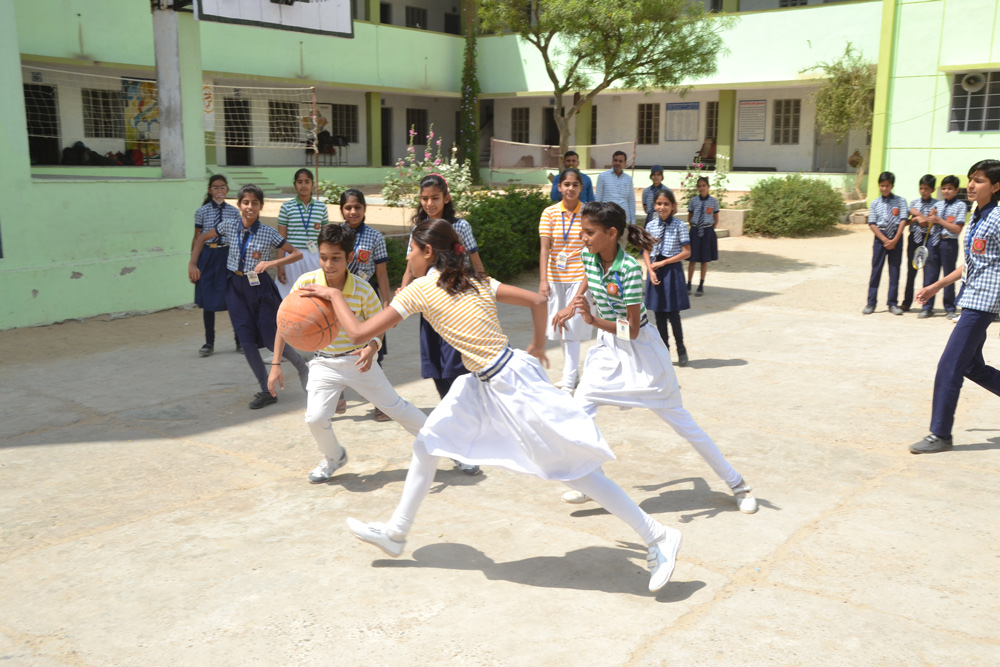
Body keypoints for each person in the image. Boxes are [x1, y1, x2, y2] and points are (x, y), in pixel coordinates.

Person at [310, 218, 682, 594]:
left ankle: (658, 536)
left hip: (507, 384)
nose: (407, 257)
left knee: (571, 469)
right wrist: (537, 345)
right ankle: (395, 532)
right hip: (487, 379)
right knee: (427, 443)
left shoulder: (421, 289)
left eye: (410, 249)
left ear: (426, 252)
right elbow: (537, 301)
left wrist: (334, 296)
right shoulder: (474, 280)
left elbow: (358, 333)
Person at [553, 202, 757, 513]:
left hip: (642, 351)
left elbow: (632, 330)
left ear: (611, 234)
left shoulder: (631, 271)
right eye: (582, 232)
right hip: (608, 349)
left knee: (683, 423)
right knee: (579, 413)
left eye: (589, 233)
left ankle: (738, 484)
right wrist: (575, 301)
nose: (583, 238)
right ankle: (593, 482)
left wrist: (593, 322)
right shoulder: (589, 255)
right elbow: (588, 277)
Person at [268, 224, 427, 483]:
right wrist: (276, 363)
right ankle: (334, 457)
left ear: (350, 257)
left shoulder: (363, 290)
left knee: (397, 408)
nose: (328, 264)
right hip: (323, 362)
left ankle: (447, 446)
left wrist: (372, 347)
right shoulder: (306, 284)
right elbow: (285, 323)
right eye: (323, 257)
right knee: (315, 418)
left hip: (357, 360)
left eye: (336, 258)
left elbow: (379, 327)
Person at [188, 184, 310, 410]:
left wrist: (273, 262)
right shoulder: (229, 225)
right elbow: (203, 237)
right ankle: (266, 390)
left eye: (255, 203)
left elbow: (297, 253)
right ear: (239, 205)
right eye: (246, 202)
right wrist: (193, 263)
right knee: (245, 339)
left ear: (261, 206)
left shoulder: (268, 232)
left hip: (260, 288)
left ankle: (303, 368)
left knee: (271, 337)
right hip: (235, 286)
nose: (250, 207)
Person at [910, 159, 1000, 454]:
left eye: (980, 180)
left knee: (949, 365)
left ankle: (940, 434)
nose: (972, 185)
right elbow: (973, 264)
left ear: (996, 186)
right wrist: (937, 285)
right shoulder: (979, 213)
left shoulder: (999, 217)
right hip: (971, 296)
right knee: (972, 366)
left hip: (983, 303)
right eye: (971, 179)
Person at [400, 173, 486, 475]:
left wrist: (483, 288)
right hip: (428, 309)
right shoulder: (418, 229)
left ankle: (463, 443)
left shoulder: (460, 226)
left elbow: (474, 261)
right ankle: (461, 431)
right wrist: (403, 289)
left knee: (456, 373)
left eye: (435, 197)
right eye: (425, 198)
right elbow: (411, 266)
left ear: (446, 197)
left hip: (454, 307)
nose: (430, 203)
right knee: (437, 370)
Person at [539, 168, 594, 391]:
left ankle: (569, 382)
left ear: (582, 188)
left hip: (579, 277)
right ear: (559, 187)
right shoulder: (549, 213)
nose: (570, 189)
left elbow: (592, 249)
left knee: (571, 327)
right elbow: (544, 249)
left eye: (575, 185)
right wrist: (543, 280)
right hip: (554, 278)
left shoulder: (588, 214)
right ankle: (571, 374)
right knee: (561, 327)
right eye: (566, 184)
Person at [341, 188, 392, 421]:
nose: (353, 212)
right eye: (348, 207)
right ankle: (337, 397)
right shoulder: (335, 235)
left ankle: (381, 404)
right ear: (342, 210)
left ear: (364, 209)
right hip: (341, 299)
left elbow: (381, 272)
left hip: (367, 299)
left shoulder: (375, 237)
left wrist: (387, 302)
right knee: (338, 347)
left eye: (357, 207)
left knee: (374, 350)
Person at [192, 174, 241, 357]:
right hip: (208, 256)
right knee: (208, 302)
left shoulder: (234, 212)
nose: (219, 191)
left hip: (227, 255)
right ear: (209, 190)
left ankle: (239, 340)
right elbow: (197, 238)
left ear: (227, 190)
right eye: (215, 188)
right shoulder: (202, 211)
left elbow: (237, 238)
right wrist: (193, 263)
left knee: (233, 298)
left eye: (222, 188)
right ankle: (209, 342)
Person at [643, 189, 690, 366]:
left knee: (673, 313)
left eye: (666, 204)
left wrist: (663, 264)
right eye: (659, 204)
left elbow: (686, 252)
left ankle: (681, 349)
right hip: (655, 270)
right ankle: (664, 351)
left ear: (673, 206)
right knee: (659, 314)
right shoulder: (651, 226)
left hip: (671, 270)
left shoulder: (679, 225)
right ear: (654, 205)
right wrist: (651, 269)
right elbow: (646, 251)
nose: (662, 207)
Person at [276, 168, 329, 299]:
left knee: (314, 293)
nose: (303, 185)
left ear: (313, 184)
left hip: (314, 256)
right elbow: (281, 239)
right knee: (289, 294)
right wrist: (280, 264)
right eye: (300, 182)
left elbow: (325, 238)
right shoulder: (286, 207)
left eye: (307, 181)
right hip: (292, 256)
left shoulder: (321, 207)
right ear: (295, 184)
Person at [863, 171, 907, 315]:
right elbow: (872, 223)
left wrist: (894, 240)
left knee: (894, 272)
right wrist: (884, 240)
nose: (884, 188)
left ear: (892, 185)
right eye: (881, 185)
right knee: (876, 271)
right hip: (880, 238)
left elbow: (903, 220)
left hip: (896, 238)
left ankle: (892, 303)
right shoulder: (875, 203)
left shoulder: (900, 202)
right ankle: (871, 303)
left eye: (887, 185)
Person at [925, 175, 967, 320]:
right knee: (930, 274)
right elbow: (930, 223)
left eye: (949, 188)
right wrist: (931, 218)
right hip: (934, 242)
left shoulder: (960, 206)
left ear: (956, 189)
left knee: (949, 275)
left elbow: (957, 228)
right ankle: (927, 306)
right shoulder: (938, 205)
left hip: (949, 243)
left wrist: (939, 220)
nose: (946, 191)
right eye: (943, 188)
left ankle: (949, 307)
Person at [901, 174, 938, 315]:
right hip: (914, 240)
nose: (923, 191)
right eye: (921, 188)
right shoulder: (914, 203)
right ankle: (906, 302)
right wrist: (916, 217)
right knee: (911, 272)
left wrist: (919, 216)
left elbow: (932, 221)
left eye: (926, 189)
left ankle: (926, 306)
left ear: (933, 189)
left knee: (929, 273)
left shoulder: (937, 204)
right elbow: (907, 221)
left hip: (929, 240)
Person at [686, 176, 719, 296]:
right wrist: (695, 226)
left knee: (704, 259)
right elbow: (690, 216)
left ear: (708, 187)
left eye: (704, 185)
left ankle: (701, 285)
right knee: (692, 259)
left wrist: (709, 228)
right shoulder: (693, 200)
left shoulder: (713, 201)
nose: (702, 188)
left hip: (707, 230)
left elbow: (715, 218)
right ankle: (689, 284)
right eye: (699, 186)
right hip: (695, 230)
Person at [595, 151, 636, 225]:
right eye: (615, 160)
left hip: (624, 220)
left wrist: (633, 222)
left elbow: (631, 201)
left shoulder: (628, 179)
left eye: (620, 161)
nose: (617, 163)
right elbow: (598, 200)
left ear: (625, 163)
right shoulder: (602, 177)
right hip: (607, 219)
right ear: (612, 161)